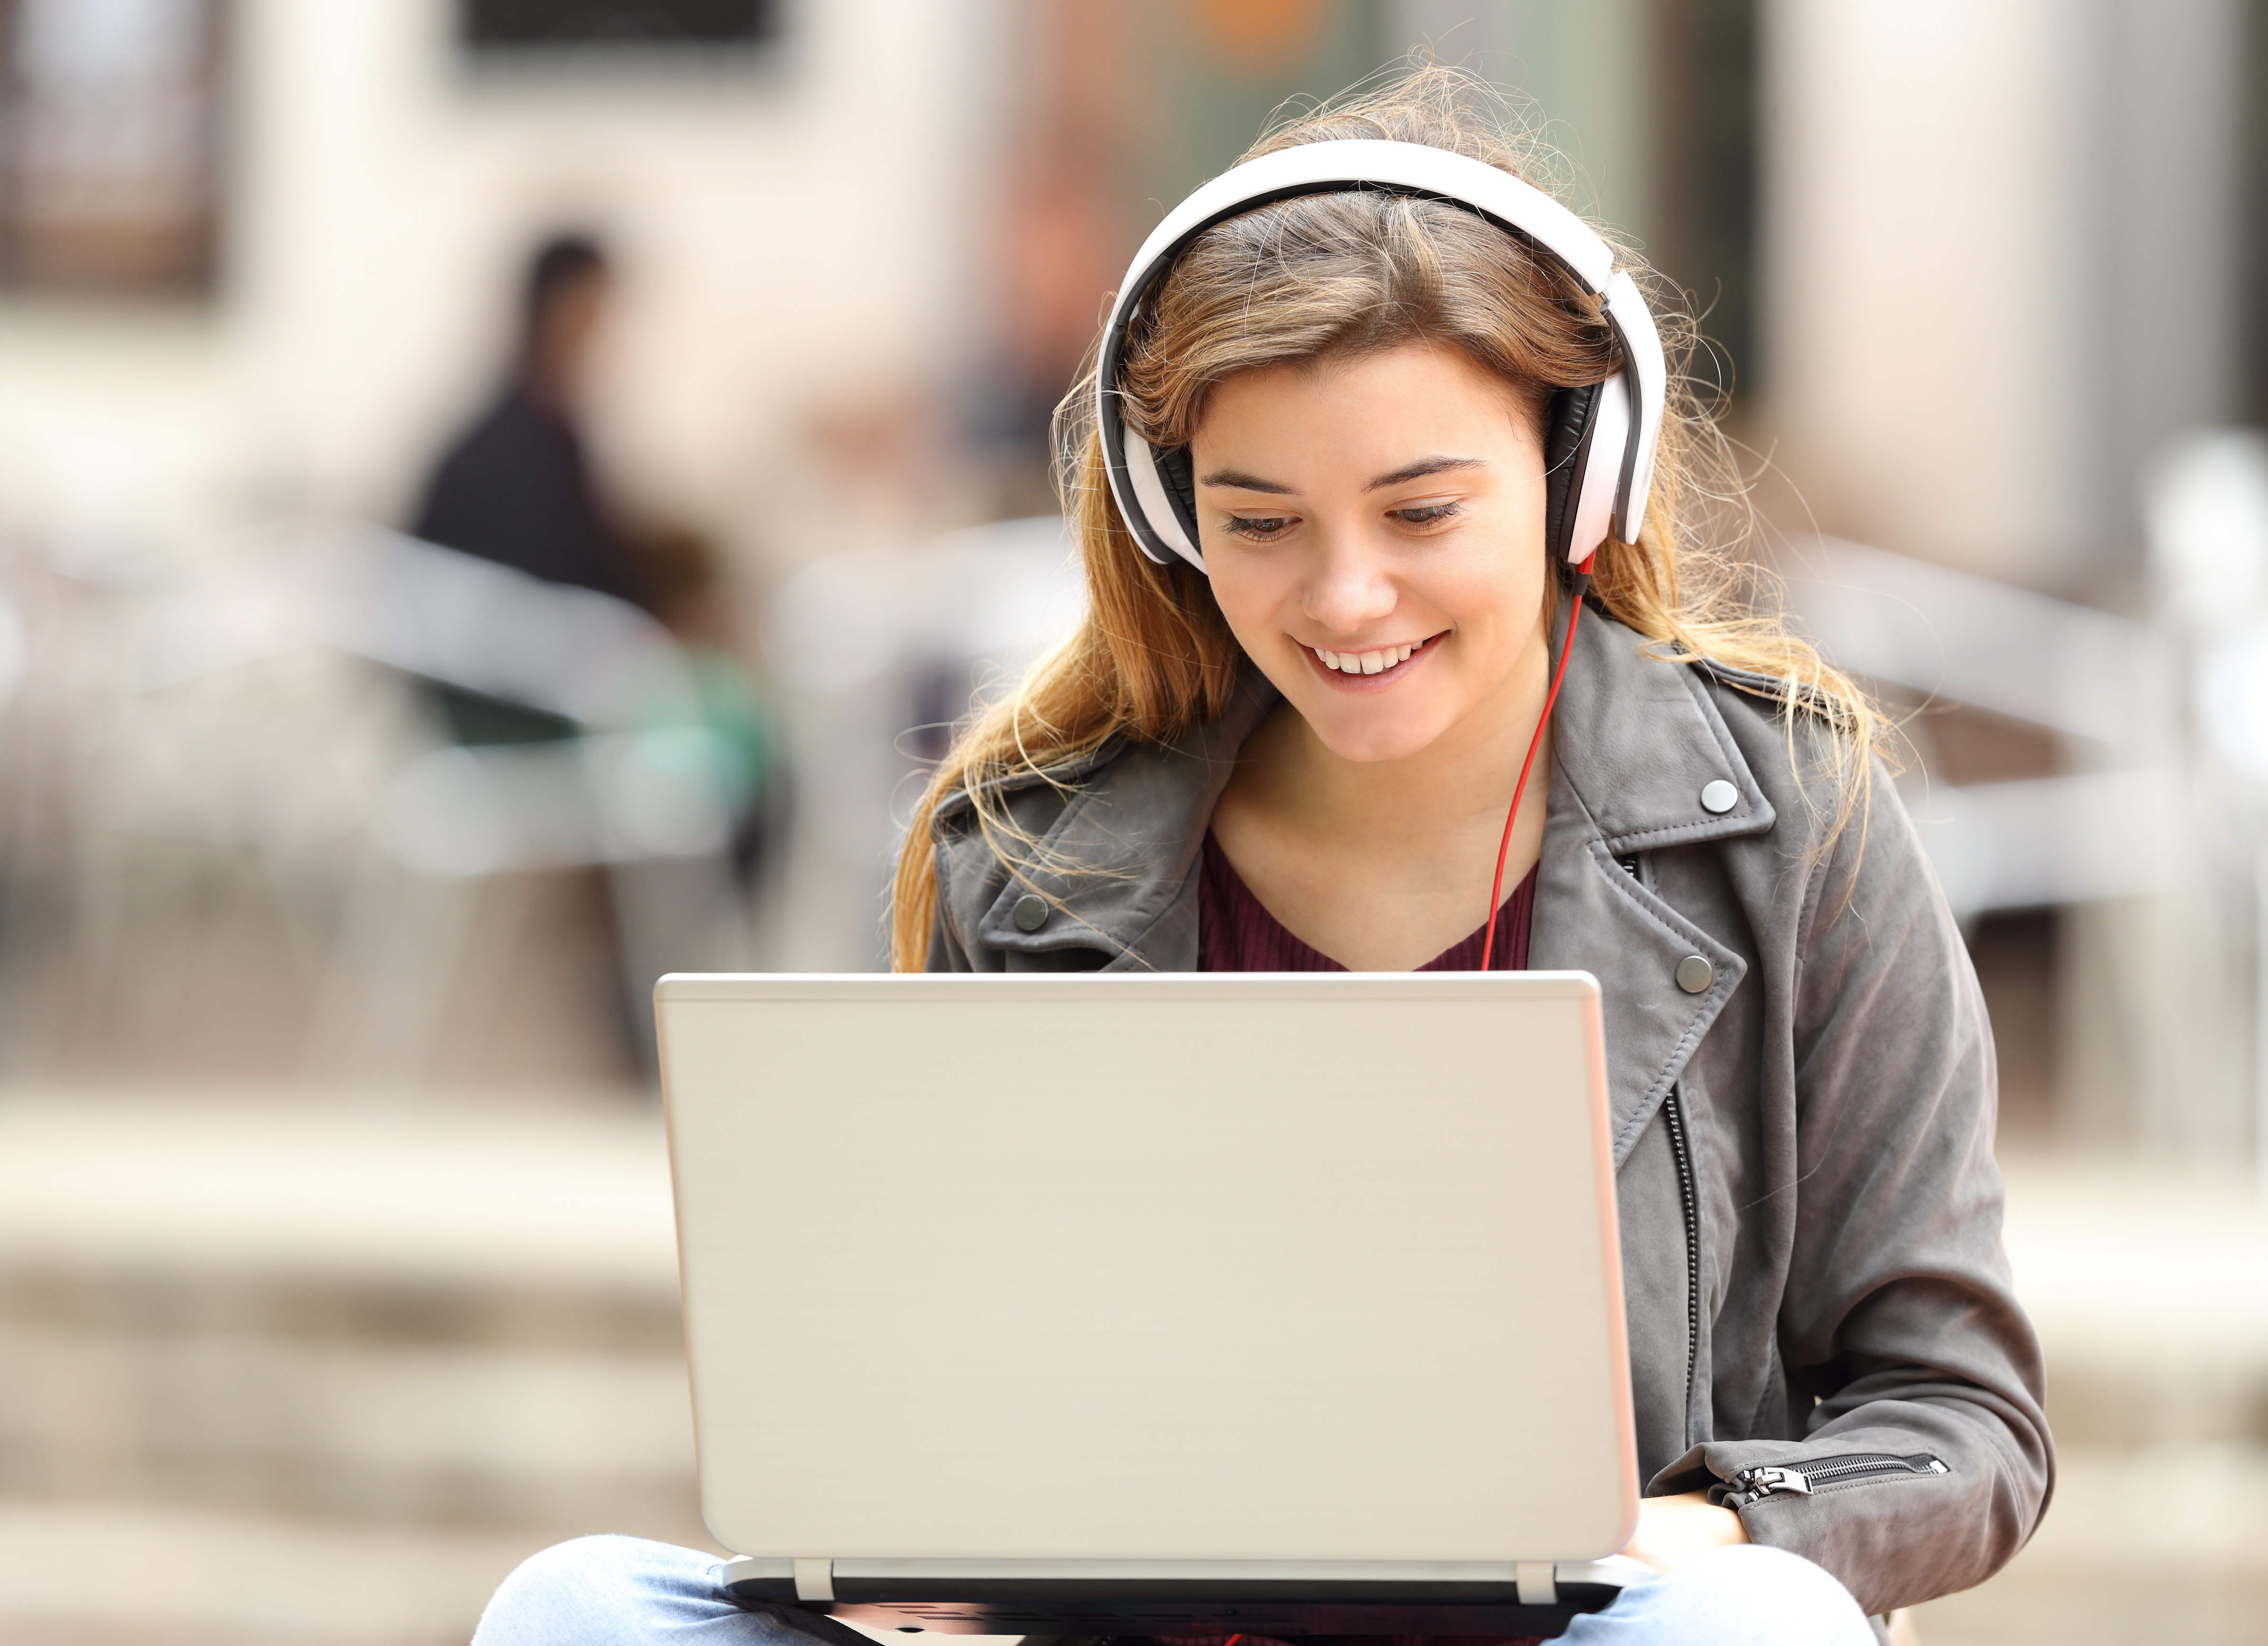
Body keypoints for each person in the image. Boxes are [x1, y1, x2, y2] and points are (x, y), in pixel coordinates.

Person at [472, 68, 2049, 1644]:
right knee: (576, 1607)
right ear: (1171, 512)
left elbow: (1952, 1424)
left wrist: (1698, 1525)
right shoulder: (1028, 853)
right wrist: (928, 1537)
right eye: (1262, 522)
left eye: (1419, 510)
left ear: (1577, 476)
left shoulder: (1791, 819)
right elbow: (962, 1402)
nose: (1342, 596)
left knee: (1744, 1629)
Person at [413, 232, 653, 612]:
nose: (603, 337)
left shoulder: (554, 437)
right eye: (592, 315)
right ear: (557, 315)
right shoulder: (504, 455)